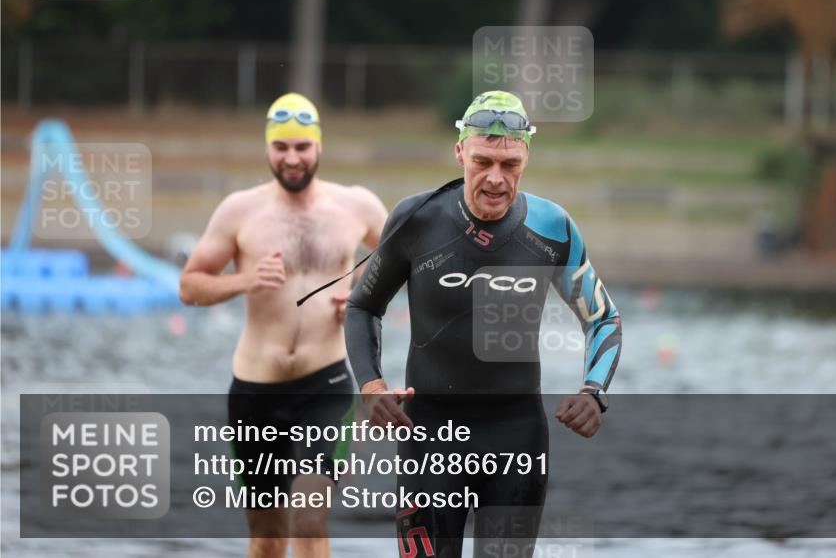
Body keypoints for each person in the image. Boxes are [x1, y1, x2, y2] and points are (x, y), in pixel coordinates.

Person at [344, 90, 623, 557]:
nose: (496, 179)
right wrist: (371, 386)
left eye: (510, 165)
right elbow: (362, 307)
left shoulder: (553, 227)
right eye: (483, 161)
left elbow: (603, 318)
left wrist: (594, 391)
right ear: (460, 153)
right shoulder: (416, 219)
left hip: (516, 436)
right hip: (430, 435)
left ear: (527, 157)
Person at [179, 92, 388, 557]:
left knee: (311, 518)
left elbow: (402, 261)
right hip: (256, 390)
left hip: (326, 384)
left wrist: (360, 295)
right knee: (268, 539)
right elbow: (190, 286)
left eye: (301, 147)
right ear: (268, 149)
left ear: (318, 146)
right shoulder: (240, 210)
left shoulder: (356, 206)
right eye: (281, 148)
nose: (291, 158)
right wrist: (244, 280)